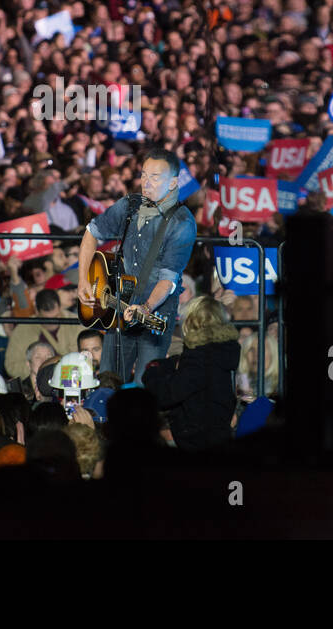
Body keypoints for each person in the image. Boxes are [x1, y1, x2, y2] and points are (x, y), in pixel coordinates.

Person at [77, 148, 197, 383]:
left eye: (155, 177)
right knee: (109, 381)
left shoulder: (182, 222)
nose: (146, 182)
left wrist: (147, 307)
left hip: (156, 312)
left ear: (173, 182)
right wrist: (83, 280)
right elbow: (92, 232)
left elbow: (168, 280)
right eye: (143, 175)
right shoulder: (130, 204)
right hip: (117, 306)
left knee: (147, 383)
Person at [140, 296, 239, 452]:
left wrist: (152, 371)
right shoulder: (224, 351)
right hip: (216, 435)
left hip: (197, 441)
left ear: (191, 322)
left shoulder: (200, 357)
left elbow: (167, 395)